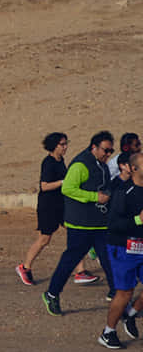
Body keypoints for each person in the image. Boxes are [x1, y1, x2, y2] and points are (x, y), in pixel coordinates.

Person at [45, 130, 118, 316]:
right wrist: (94, 197)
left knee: (110, 259)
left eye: (111, 151)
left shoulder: (102, 164)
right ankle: (52, 293)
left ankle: (118, 295)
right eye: (105, 150)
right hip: (80, 225)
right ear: (94, 147)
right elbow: (68, 188)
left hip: (100, 223)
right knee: (69, 262)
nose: (108, 154)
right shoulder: (80, 165)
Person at [19, 132, 91, 286]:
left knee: (76, 232)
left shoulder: (60, 160)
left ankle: (80, 272)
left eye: (66, 143)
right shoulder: (48, 163)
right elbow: (44, 186)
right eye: (62, 144)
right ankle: (25, 267)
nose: (65, 147)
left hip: (62, 205)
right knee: (44, 239)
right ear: (54, 146)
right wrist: (63, 182)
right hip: (48, 207)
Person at [97, 149, 143, 351]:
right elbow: (113, 224)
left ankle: (131, 314)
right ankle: (108, 332)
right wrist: (138, 220)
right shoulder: (123, 192)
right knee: (124, 292)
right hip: (123, 248)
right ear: (133, 169)